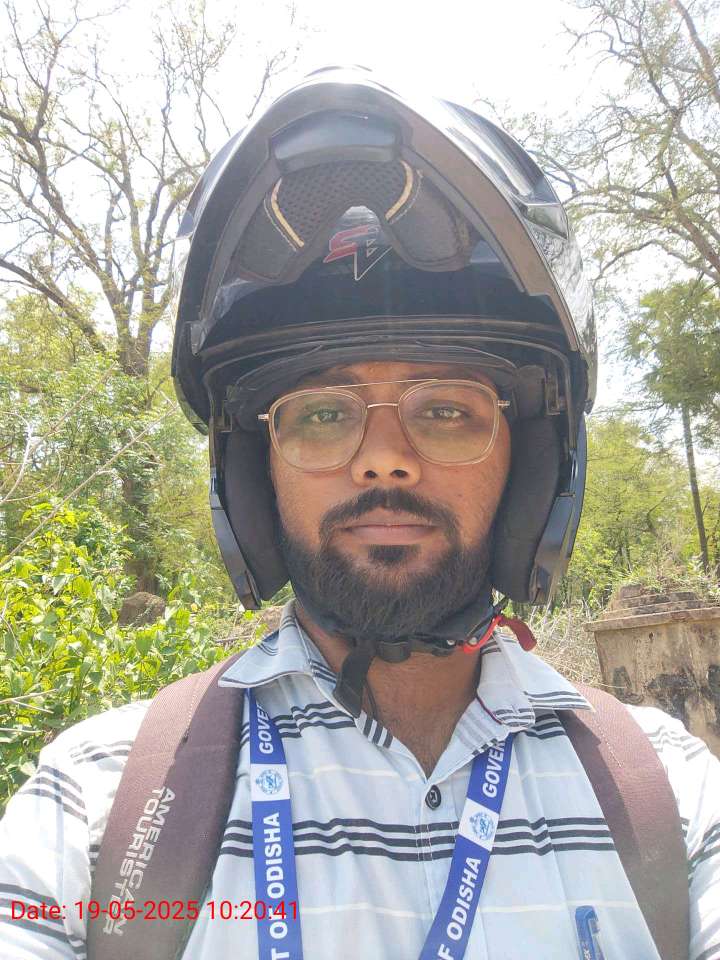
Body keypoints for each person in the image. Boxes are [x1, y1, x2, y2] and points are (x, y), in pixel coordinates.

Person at [1, 68, 718, 960]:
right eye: (322, 414)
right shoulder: (98, 804)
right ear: (254, 470)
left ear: (533, 460)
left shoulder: (671, 797)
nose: (384, 457)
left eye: (446, 409)